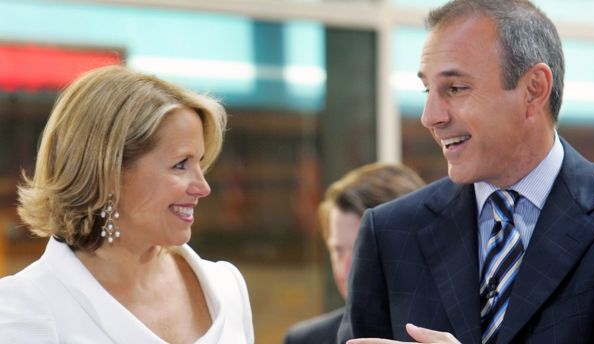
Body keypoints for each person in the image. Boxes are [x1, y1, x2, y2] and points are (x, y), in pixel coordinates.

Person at [338, 1, 594, 344]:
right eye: (428, 90)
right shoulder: (390, 234)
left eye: (454, 89)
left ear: (534, 89)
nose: (430, 116)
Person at [0, 65, 254, 343]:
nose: (203, 187)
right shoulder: (24, 308)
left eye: (200, 163)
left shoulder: (227, 287)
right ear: (108, 172)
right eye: (180, 165)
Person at [283, 163, 425, 344]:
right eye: (338, 251)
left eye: (362, 251)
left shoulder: (458, 328)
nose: (347, 269)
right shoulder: (305, 340)